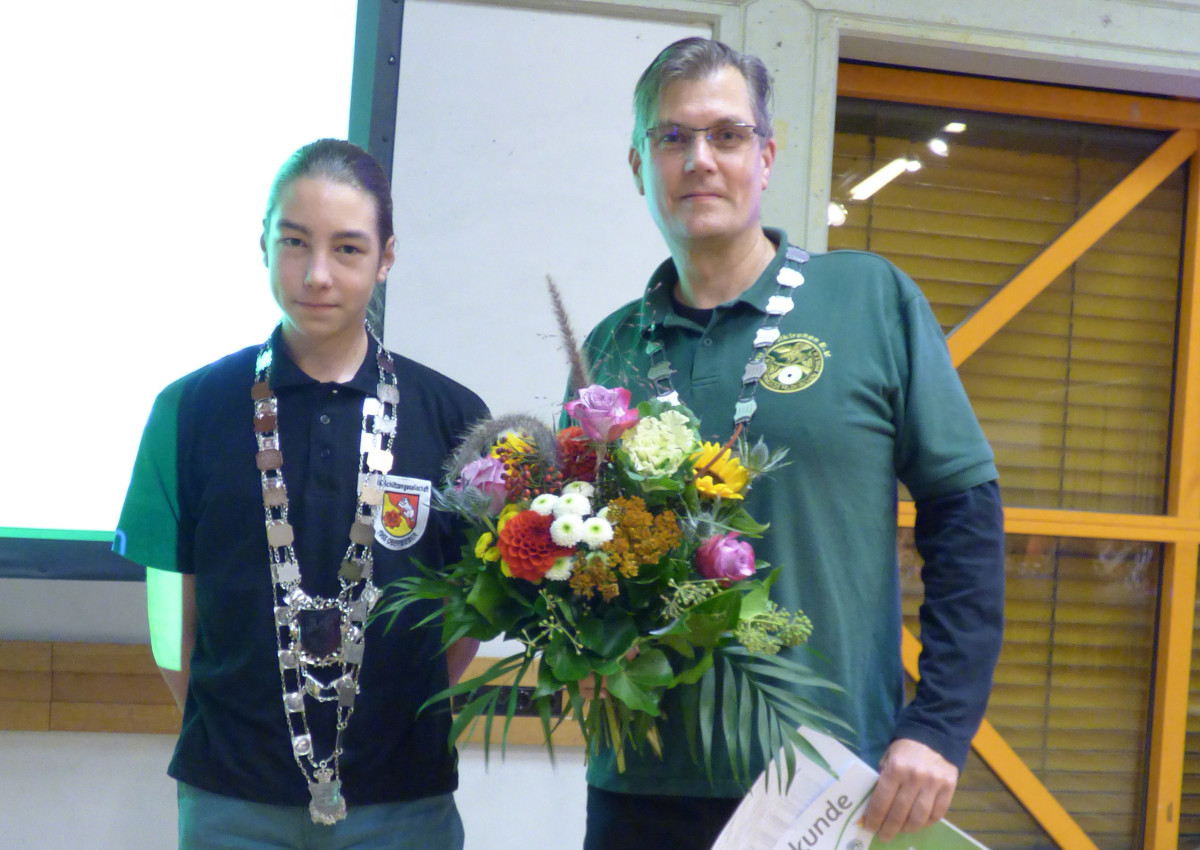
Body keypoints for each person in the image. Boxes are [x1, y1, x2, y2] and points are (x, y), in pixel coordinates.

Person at [571, 38, 1005, 849]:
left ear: (765, 156)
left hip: (827, 782)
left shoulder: (868, 299)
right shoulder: (604, 354)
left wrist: (940, 726)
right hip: (642, 786)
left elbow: (965, 515)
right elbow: (581, 562)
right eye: (673, 138)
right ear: (639, 166)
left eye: (727, 135)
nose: (700, 160)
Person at [115, 139, 487, 849]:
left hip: (401, 799)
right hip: (234, 801)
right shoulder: (189, 409)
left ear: (386, 258)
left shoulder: (454, 418)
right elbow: (172, 621)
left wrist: (398, 717)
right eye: (295, 243)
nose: (317, 274)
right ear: (263, 245)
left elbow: (472, 610)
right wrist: (234, 748)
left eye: (348, 249)